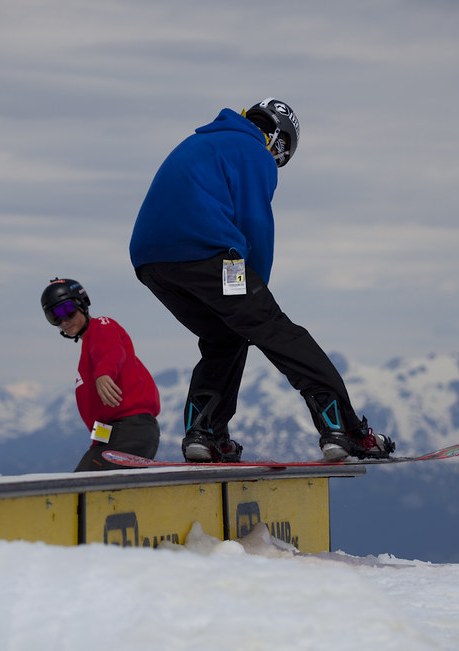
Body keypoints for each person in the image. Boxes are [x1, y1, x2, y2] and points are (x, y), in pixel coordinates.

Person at [129, 97, 395, 463]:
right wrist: (257, 292)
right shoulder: (253, 151)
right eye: (282, 151)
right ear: (275, 137)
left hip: (151, 261)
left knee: (225, 335)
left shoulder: (202, 141)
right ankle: (345, 430)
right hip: (206, 251)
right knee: (275, 329)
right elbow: (255, 227)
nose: (278, 159)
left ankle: (204, 434)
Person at [41, 278, 160, 471]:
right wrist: (96, 446)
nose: (63, 321)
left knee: (80, 491)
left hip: (131, 429)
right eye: (54, 317)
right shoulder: (88, 347)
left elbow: (111, 351)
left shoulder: (102, 326)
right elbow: (100, 418)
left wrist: (104, 374)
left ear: (82, 303)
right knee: (85, 492)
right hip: (116, 434)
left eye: (66, 310)